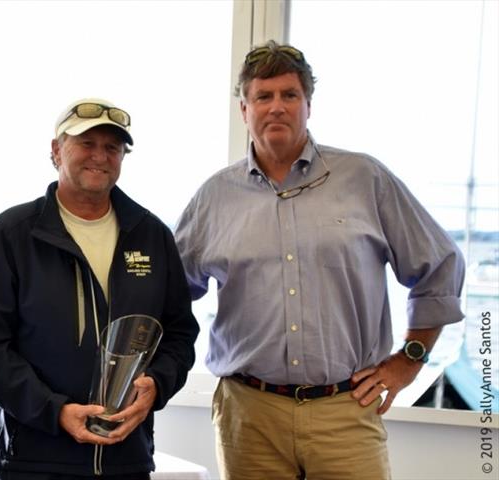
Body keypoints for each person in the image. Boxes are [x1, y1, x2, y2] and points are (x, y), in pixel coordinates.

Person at [174, 40, 465, 480]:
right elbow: (169, 292)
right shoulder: (215, 197)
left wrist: (410, 357)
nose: (276, 107)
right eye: (263, 96)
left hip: (345, 413)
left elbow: (440, 265)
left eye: (289, 95)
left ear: (308, 105)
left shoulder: (364, 178)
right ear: (244, 109)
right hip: (248, 418)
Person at [0, 98, 199, 479]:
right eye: (86, 144)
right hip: (34, 459)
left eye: (112, 147)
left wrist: (157, 385)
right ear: (56, 151)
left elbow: (180, 333)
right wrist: (54, 410)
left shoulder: (151, 235)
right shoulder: (12, 234)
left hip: (127, 456)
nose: (100, 156)